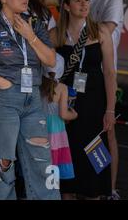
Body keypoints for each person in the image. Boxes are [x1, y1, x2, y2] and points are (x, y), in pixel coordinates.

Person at [0, 0, 59, 200]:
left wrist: (30, 36)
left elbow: (51, 60)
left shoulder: (34, 23)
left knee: (42, 161)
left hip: (33, 97)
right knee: (3, 163)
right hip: (3, 98)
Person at [50, 0, 116, 200]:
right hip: (65, 103)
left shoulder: (101, 32)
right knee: (68, 157)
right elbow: (47, 72)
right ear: (67, 6)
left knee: (94, 158)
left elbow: (109, 73)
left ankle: (96, 193)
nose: (84, 4)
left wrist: (110, 110)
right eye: (78, 0)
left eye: (86, 0)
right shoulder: (55, 35)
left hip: (95, 104)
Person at [73, 0, 124, 200]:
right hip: (85, 75)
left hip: (105, 72)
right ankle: (88, 187)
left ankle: (109, 188)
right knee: (83, 132)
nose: (83, 5)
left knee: (107, 132)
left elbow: (106, 31)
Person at [41, 53, 77, 190]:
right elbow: (63, 114)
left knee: (40, 163)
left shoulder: (39, 85)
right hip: (56, 132)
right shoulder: (62, 88)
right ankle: (52, 192)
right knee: (53, 165)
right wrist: (74, 115)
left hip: (41, 129)